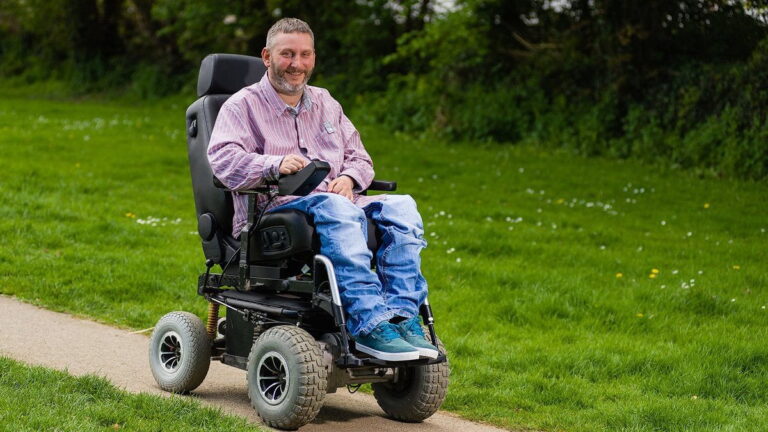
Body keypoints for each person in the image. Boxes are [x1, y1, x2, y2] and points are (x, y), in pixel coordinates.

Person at [207, 18, 435, 362]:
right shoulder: (242, 105)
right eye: (287, 54)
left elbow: (360, 155)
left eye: (305, 55)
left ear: (313, 57)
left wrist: (351, 179)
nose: (297, 64)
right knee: (337, 208)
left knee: (402, 206)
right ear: (267, 56)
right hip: (275, 209)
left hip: (339, 199)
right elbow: (222, 161)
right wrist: (273, 164)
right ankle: (369, 323)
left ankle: (402, 318)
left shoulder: (326, 102)